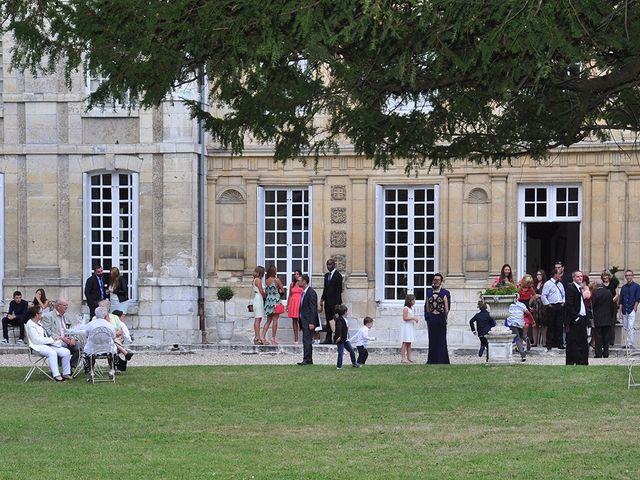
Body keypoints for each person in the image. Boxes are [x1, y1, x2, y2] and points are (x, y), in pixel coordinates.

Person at [68, 306, 117, 380]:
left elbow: (87, 334)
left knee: (89, 349)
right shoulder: (109, 325)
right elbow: (113, 336)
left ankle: (91, 371)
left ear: (95, 314)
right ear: (105, 315)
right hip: (108, 349)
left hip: (94, 349)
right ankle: (111, 370)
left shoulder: (91, 324)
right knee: (112, 349)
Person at [25, 305, 72, 381]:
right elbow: (36, 340)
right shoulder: (30, 325)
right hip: (36, 346)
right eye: (40, 313)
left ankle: (66, 373)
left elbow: (45, 335)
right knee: (52, 352)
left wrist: (54, 338)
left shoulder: (39, 323)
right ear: (36, 315)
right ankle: (56, 375)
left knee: (66, 352)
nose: (42, 315)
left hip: (46, 344)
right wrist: (51, 339)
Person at [41, 298, 80, 370]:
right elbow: (47, 332)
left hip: (68, 340)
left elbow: (73, 330)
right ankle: (60, 368)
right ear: (58, 306)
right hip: (57, 341)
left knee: (80, 347)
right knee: (62, 346)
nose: (66, 307)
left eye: (67, 305)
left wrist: (73, 338)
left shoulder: (67, 316)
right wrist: (62, 338)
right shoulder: (48, 316)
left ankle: (70, 367)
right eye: (65, 305)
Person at [564, 271, 589, 365]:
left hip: (581, 318)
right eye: (578, 276)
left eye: (581, 276)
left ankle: (581, 361)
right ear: (573, 278)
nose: (580, 278)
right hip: (576, 319)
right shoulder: (571, 288)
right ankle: (576, 361)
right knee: (574, 341)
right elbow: (569, 305)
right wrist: (575, 317)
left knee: (581, 341)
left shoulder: (579, 289)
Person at [425, 273, 450, 364]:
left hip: (440, 318)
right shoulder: (429, 292)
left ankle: (442, 360)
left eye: (438, 280)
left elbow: (447, 309)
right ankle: (432, 360)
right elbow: (427, 307)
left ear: (441, 281)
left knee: (442, 339)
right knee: (432, 339)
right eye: (435, 279)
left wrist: (445, 318)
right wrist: (428, 317)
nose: (436, 281)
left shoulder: (445, 293)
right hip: (432, 318)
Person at [541, 268, 566, 351]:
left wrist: (563, 302)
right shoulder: (548, 284)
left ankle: (560, 343)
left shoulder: (560, 284)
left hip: (559, 306)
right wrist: (548, 304)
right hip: (552, 306)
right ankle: (550, 343)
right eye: (559, 274)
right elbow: (544, 295)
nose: (560, 275)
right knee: (551, 325)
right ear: (555, 274)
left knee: (559, 325)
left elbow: (563, 294)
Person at [297, 274, 319, 365]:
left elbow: (313, 308)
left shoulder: (311, 292)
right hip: (304, 320)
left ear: (304, 281)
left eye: (299, 280)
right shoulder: (304, 292)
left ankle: (307, 359)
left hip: (309, 321)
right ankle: (308, 359)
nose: (298, 282)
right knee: (305, 340)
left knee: (307, 340)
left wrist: (312, 322)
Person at [319, 258, 343, 344]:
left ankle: (336, 338)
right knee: (328, 320)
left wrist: (337, 304)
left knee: (336, 321)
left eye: (330, 264)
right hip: (327, 302)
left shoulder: (338, 276)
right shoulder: (326, 276)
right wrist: (322, 299)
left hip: (335, 303)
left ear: (334, 265)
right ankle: (328, 338)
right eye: (327, 265)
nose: (329, 266)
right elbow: (325, 289)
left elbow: (338, 290)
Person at [591, 280, 616, 358]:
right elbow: (612, 306)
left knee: (598, 337)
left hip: (598, 318)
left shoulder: (595, 293)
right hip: (607, 318)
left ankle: (598, 354)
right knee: (606, 337)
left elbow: (593, 305)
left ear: (596, 285)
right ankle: (606, 353)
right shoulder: (608, 292)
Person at [261, 265, 285, 345]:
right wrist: (278, 291)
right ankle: (273, 338)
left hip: (269, 301)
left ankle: (262, 336)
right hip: (276, 300)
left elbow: (267, 292)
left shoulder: (267, 280)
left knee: (268, 320)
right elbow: (282, 290)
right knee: (275, 320)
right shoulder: (276, 280)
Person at [333, 304, 360, 369]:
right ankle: (339, 366)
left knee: (352, 351)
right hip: (341, 340)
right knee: (340, 353)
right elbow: (338, 328)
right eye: (346, 311)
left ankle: (354, 363)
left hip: (345, 339)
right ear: (345, 312)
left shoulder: (344, 319)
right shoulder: (340, 320)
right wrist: (339, 336)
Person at [620, 270, 640, 349]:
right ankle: (626, 343)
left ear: (632, 276)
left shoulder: (637, 286)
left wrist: (635, 308)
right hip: (624, 309)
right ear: (625, 277)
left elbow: (637, 298)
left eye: (630, 275)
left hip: (631, 308)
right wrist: (620, 311)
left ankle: (630, 343)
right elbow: (621, 300)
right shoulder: (623, 287)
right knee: (625, 327)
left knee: (630, 326)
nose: (628, 277)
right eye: (627, 275)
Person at [400, 294, 419, 364]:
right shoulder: (406, 308)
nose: (415, 301)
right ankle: (403, 358)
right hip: (406, 327)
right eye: (413, 300)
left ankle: (409, 357)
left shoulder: (412, 308)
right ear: (409, 301)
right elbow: (405, 318)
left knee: (409, 342)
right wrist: (413, 318)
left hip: (410, 326)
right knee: (405, 342)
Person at [530, 270, 547, 347]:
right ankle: (535, 342)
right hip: (535, 305)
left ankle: (544, 342)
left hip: (542, 305)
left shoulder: (545, 284)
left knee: (543, 324)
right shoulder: (534, 285)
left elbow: (547, 294)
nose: (538, 276)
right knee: (535, 324)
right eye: (537, 274)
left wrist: (540, 296)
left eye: (540, 274)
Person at [251, 266, 266, 345]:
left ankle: (257, 336)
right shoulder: (258, 280)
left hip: (257, 298)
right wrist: (266, 296)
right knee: (258, 318)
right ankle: (257, 337)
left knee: (258, 318)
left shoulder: (255, 280)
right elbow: (262, 291)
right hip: (259, 298)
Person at [287, 270, 303, 344]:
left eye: (297, 274)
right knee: (294, 320)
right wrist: (287, 304)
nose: (296, 275)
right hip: (293, 303)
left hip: (299, 302)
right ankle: (296, 338)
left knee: (300, 320)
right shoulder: (292, 284)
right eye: (295, 274)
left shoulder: (302, 283)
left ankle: (303, 336)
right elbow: (290, 295)